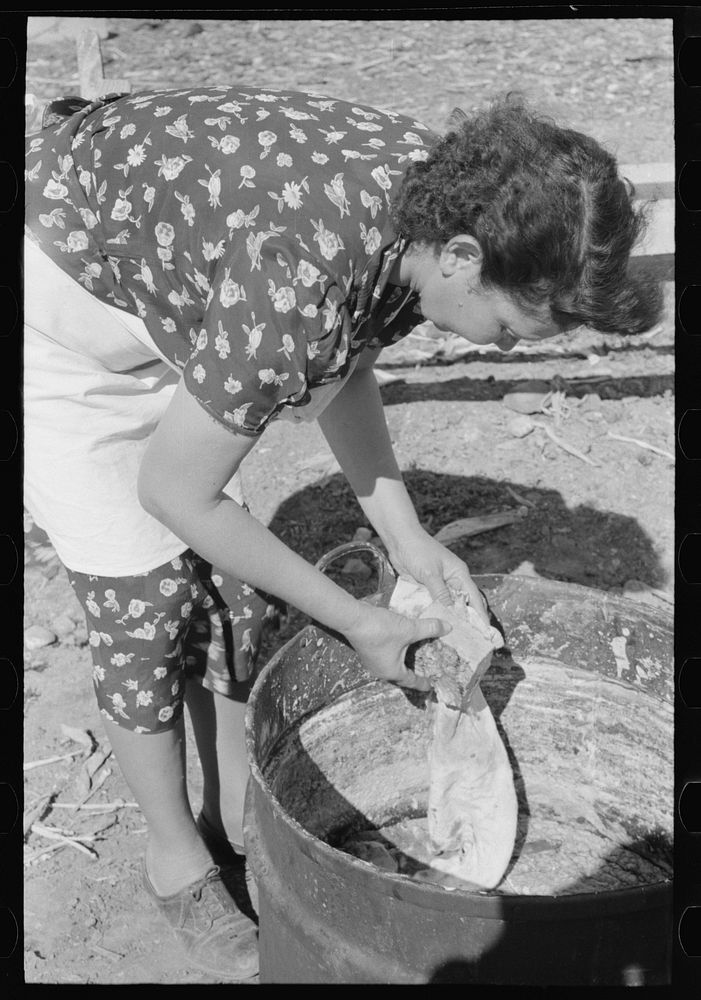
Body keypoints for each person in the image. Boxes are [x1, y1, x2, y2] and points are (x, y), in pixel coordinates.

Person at [24, 85, 661, 981]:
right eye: (513, 327)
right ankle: (176, 862)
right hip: (62, 311)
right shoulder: (299, 272)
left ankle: (224, 801)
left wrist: (406, 541)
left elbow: (341, 360)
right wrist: (359, 622)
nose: (507, 349)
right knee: (145, 601)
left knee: (236, 602)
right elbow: (175, 491)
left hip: (179, 284)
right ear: (466, 259)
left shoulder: (436, 210)